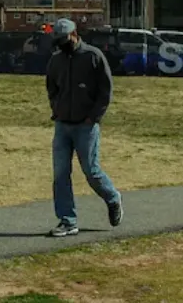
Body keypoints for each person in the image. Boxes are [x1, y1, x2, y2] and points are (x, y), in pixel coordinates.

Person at [44, 18, 122, 237]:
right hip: (62, 124)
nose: (60, 44)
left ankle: (112, 198)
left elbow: (105, 91)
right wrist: (56, 108)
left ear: (74, 34)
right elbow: (51, 87)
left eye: (63, 39)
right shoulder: (56, 60)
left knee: (91, 171)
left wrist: (93, 117)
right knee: (60, 174)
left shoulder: (93, 57)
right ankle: (67, 220)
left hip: (85, 126)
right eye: (57, 40)